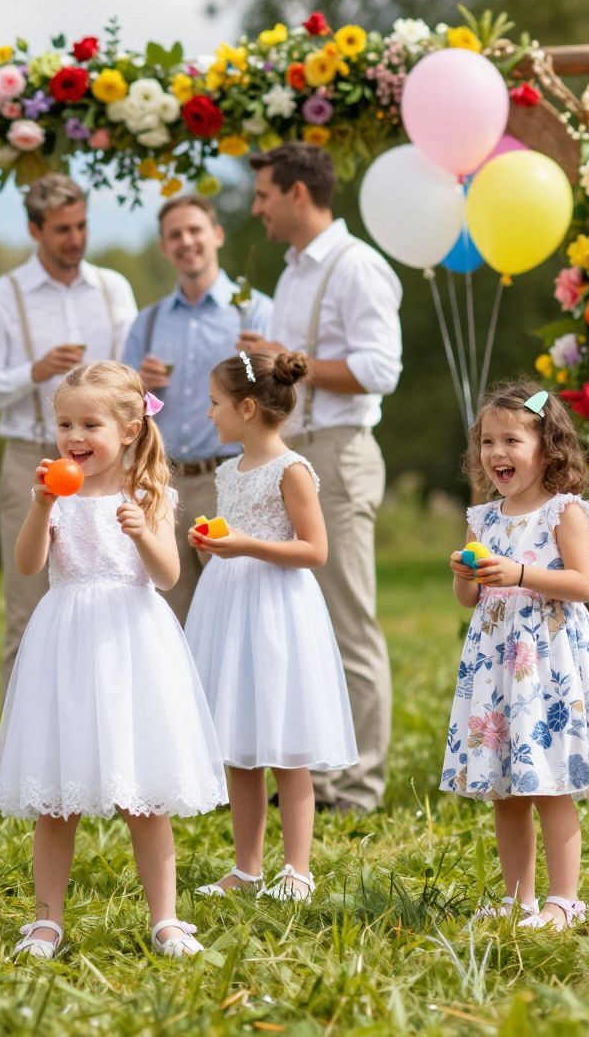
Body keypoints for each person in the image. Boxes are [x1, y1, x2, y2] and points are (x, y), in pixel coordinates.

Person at [0, 360, 226, 962]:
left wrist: (142, 531)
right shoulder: (56, 493)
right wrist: (42, 506)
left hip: (131, 646)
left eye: (88, 424)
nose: (73, 437)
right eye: (64, 424)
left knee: (143, 796)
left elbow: (168, 574)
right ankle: (46, 922)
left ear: (127, 430)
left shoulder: (147, 494)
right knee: (56, 800)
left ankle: (166, 919)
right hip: (66, 643)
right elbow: (26, 565)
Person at [241, 143, 402, 812]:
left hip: (337, 454)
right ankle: (320, 778)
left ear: (299, 194)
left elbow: (380, 368)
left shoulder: (357, 265)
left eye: (263, 196)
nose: (256, 209)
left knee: (346, 620)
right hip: (293, 455)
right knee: (301, 623)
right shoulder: (293, 273)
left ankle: (359, 785)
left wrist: (287, 361)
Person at [443, 382, 589, 930]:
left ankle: (564, 899)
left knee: (550, 783)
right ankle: (517, 897)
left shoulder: (562, 512)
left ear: (548, 447)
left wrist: (521, 573)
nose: (496, 453)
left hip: (547, 665)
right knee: (506, 788)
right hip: (498, 666)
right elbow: (471, 599)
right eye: (486, 441)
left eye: (511, 440)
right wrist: (465, 578)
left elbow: (583, 583)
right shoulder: (483, 519)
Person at [184, 350, 358, 904]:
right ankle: (247, 867)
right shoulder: (227, 471)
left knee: (286, 747)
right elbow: (230, 546)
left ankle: (297, 869)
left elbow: (315, 549)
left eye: (216, 403)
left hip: (278, 610)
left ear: (248, 407)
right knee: (239, 745)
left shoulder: (292, 469)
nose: (209, 414)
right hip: (231, 607)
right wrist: (213, 546)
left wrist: (244, 545)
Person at [0, 174, 138, 694]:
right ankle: (22, 758)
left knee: (119, 599)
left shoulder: (114, 288)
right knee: (27, 608)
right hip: (31, 461)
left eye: (81, 225)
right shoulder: (1, 298)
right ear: (34, 230)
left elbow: (130, 380)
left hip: (107, 469)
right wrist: (32, 372)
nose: (76, 239)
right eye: (63, 229)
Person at [122, 194, 273, 624]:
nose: (186, 241)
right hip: (161, 484)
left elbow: (278, 400)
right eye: (175, 235)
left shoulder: (255, 311)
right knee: (165, 615)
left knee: (229, 614)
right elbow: (124, 410)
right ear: (163, 247)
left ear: (217, 235)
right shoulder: (147, 322)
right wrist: (141, 388)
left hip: (228, 481)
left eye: (195, 230)